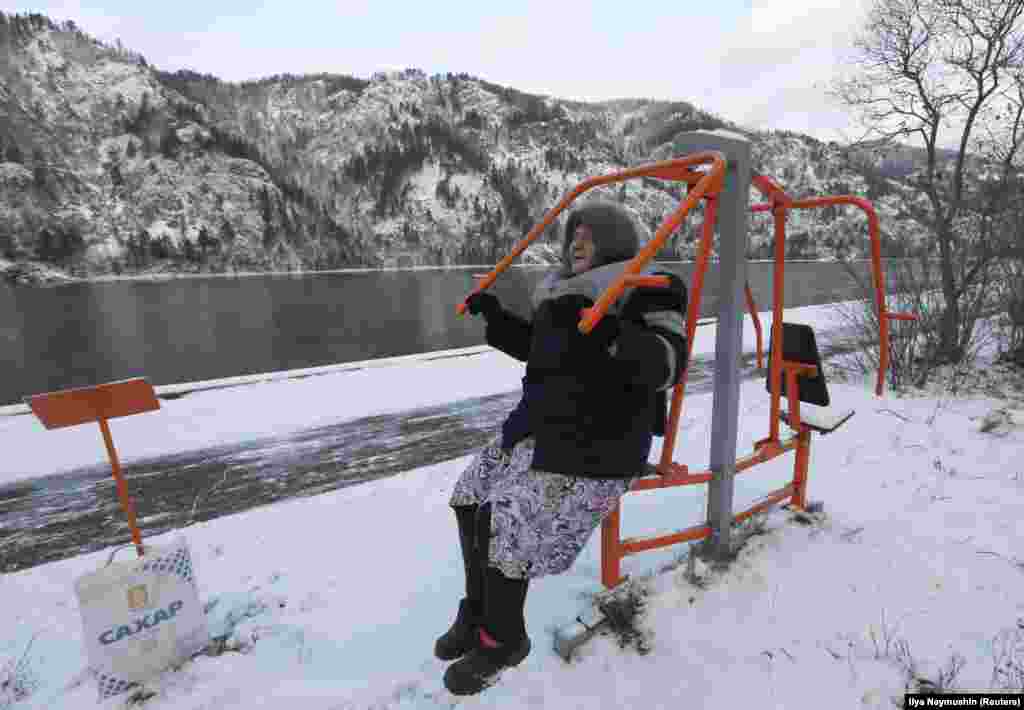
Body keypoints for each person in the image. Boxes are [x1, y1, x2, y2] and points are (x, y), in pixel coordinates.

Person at [437, 199, 688, 696]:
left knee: (508, 514)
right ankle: (477, 610)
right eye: (575, 236)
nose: (578, 245)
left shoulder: (647, 285)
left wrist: (613, 333)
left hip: (600, 436)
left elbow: (668, 361)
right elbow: (542, 350)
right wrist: (499, 319)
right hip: (540, 425)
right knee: (470, 496)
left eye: (590, 238)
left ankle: (503, 638)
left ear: (614, 243)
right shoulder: (563, 293)